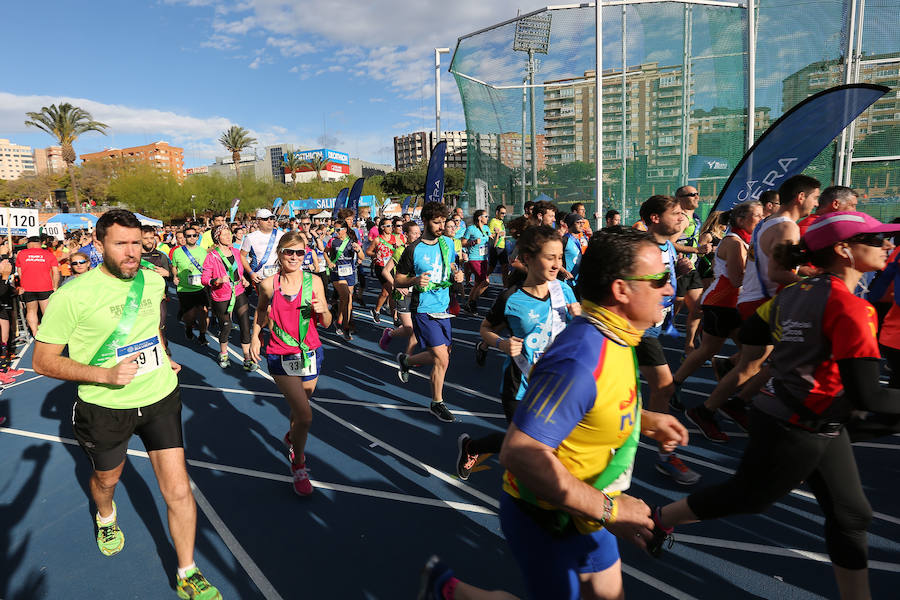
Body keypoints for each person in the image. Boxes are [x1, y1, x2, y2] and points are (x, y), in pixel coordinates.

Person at [652, 211, 900, 600]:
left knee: (852, 514)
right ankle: (659, 519)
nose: (888, 245)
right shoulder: (853, 309)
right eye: (876, 240)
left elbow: (752, 330)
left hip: (810, 418)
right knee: (748, 497)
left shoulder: (796, 292)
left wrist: (799, 349)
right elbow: (871, 396)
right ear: (843, 250)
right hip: (797, 424)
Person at [32, 209, 222, 600]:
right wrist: (105, 375)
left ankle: (187, 571)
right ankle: (106, 516)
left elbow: (151, 324)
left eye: (136, 242)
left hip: (159, 395)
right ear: (98, 246)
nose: (131, 252)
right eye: (121, 244)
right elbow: (43, 361)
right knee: (107, 480)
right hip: (104, 407)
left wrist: (162, 352)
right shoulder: (72, 295)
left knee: (178, 489)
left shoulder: (152, 282)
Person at [498, 229, 688, 600]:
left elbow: (597, 401)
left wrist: (645, 420)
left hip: (588, 508)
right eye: (660, 279)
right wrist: (609, 509)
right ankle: (450, 590)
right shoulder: (581, 356)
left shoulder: (620, 335)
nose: (669, 290)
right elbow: (519, 454)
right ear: (621, 290)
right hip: (545, 516)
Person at [457, 226, 580, 480]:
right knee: (527, 448)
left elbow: (580, 332)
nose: (557, 264)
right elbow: (485, 328)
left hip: (557, 383)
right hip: (520, 384)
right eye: (550, 257)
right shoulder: (511, 299)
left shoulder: (564, 291)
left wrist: (581, 320)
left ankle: (474, 447)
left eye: (559, 258)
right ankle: (473, 448)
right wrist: (501, 344)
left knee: (547, 445)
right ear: (528, 258)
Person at [706, 175, 822, 417]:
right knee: (757, 365)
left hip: (756, 299)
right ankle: (708, 410)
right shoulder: (786, 226)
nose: (816, 203)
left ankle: (734, 402)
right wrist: (814, 285)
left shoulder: (768, 223)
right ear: (801, 197)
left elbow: (775, 264)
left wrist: (803, 271)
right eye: (815, 197)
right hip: (764, 301)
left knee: (767, 362)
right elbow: (778, 273)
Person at [672, 201, 763, 442]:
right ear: (742, 220)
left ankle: (726, 388)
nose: (761, 218)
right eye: (758, 215)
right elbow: (735, 279)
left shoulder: (744, 240)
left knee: (748, 354)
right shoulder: (734, 242)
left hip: (729, 304)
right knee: (728, 352)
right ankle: (680, 389)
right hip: (724, 304)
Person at [250, 232, 332, 496]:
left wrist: (323, 310)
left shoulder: (315, 282)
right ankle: (298, 463)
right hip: (280, 354)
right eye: (289, 252)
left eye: (300, 253)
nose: (295, 257)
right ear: (279, 253)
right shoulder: (268, 285)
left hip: (310, 353)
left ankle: (293, 436)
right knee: (305, 415)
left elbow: (329, 322)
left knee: (299, 414)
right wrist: (254, 337)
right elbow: (261, 311)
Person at [635, 195, 701, 485]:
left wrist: (679, 273)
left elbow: (664, 285)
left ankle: (659, 451)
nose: (681, 218)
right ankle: (665, 454)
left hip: (653, 326)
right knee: (662, 386)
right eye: (675, 213)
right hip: (635, 328)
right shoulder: (641, 248)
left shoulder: (669, 247)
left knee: (657, 389)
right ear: (654, 218)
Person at [394, 202, 465, 423]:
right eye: (437, 222)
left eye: (444, 221)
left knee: (442, 355)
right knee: (442, 358)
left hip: (443, 307)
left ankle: (407, 361)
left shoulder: (448, 243)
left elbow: (452, 264)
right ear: (424, 221)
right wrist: (414, 280)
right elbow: (398, 279)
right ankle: (437, 402)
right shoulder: (412, 249)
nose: (441, 226)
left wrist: (457, 274)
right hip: (423, 309)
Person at [202, 225, 255, 370]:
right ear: (217, 237)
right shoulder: (212, 257)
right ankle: (224, 353)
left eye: (229, 234)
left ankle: (247, 358)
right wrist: (217, 281)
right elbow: (204, 279)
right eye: (224, 234)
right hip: (221, 295)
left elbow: (239, 271)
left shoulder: (236, 252)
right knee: (226, 326)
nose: (228, 236)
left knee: (245, 325)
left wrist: (243, 279)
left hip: (238, 292)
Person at [671, 185, 713, 355]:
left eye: (697, 193)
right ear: (680, 198)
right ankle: (648, 340)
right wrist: (697, 250)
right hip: (678, 269)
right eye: (692, 194)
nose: (697, 197)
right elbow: (671, 243)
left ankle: (689, 348)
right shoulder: (681, 219)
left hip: (691, 269)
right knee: (670, 313)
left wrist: (702, 248)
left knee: (698, 310)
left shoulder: (694, 218)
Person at [379, 220, 421, 354]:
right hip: (403, 294)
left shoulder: (422, 250)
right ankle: (389, 334)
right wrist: (396, 285)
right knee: (409, 328)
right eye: (413, 233)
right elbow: (385, 271)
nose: (417, 236)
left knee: (418, 327)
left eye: (419, 233)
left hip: (418, 293)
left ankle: (408, 358)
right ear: (406, 234)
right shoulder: (401, 250)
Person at [15, 235, 60, 337]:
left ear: (29, 244)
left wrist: (24, 283)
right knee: (47, 312)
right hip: (45, 286)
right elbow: (56, 272)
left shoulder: (21, 254)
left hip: (28, 287)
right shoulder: (48, 254)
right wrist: (55, 286)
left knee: (31, 310)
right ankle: (48, 333)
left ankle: (35, 333)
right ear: (40, 244)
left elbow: (19, 271)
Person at [171, 226, 209, 344]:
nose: (192, 238)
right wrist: (175, 276)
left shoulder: (203, 251)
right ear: (185, 237)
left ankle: (202, 335)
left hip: (201, 288)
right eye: (189, 236)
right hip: (185, 289)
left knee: (203, 313)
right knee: (190, 316)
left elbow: (208, 267)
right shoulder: (177, 252)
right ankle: (188, 327)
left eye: (194, 235)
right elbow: (174, 267)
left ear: (197, 237)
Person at [328, 220, 365, 339]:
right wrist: (329, 262)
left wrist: (358, 250)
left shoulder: (352, 242)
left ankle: (338, 321)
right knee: (346, 297)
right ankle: (346, 327)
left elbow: (362, 257)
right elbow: (325, 252)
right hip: (337, 273)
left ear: (344, 230)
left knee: (346, 301)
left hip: (349, 273)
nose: (336, 232)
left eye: (338, 230)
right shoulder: (333, 241)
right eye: (335, 230)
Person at [366, 217, 401, 323]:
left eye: (391, 226)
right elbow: (368, 252)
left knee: (385, 293)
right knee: (391, 290)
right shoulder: (377, 239)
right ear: (382, 227)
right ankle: (395, 318)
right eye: (388, 226)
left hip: (392, 267)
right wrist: (375, 254)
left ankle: (376, 310)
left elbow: (402, 249)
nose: (391, 228)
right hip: (381, 267)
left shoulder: (395, 239)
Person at [241, 208, 284, 288]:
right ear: (258, 221)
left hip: (278, 277)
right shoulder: (250, 237)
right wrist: (251, 273)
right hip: (260, 278)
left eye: (271, 218)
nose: (269, 221)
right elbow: (242, 256)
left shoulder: (281, 235)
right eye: (265, 219)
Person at [487, 205, 509, 280]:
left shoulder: (501, 222)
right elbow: (489, 235)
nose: (504, 215)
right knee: (491, 268)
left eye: (505, 213)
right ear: (497, 212)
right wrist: (498, 234)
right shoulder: (493, 221)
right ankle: (482, 281)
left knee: (505, 267)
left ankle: (505, 287)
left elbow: (502, 234)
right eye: (502, 213)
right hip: (496, 247)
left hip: (502, 247)